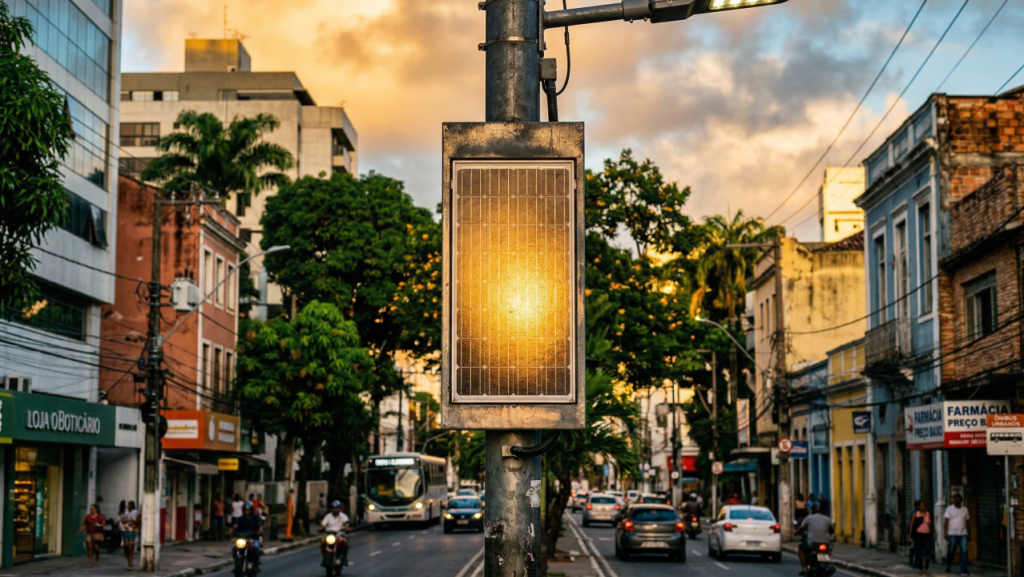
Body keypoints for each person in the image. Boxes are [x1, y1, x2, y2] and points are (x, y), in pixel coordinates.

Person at [797, 504, 835, 575]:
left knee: (800, 548)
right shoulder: (828, 519)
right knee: (828, 550)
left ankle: (804, 567)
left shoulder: (808, 518)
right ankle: (827, 565)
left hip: (812, 543)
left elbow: (801, 528)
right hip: (825, 544)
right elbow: (832, 530)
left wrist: (797, 532)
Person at [229, 502, 263, 569]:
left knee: (255, 547)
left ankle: (256, 565)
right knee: (234, 547)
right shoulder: (241, 518)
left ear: (251, 510)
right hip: (242, 538)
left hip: (253, 538)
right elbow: (235, 525)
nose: (247, 512)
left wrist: (259, 531)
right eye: (245, 510)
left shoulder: (255, 517)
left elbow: (260, 526)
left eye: (248, 510)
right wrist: (232, 530)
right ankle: (236, 563)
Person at [944, 494, 970, 576]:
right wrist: (946, 532)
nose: (957, 501)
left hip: (963, 533)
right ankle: (948, 564)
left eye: (959, 499)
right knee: (951, 550)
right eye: (956, 499)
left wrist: (970, 534)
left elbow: (968, 522)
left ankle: (963, 569)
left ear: (961, 501)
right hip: (952, 533)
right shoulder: (949, 509)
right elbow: (946, 521)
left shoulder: (965, 509)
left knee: (964, 551)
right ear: (954, 500)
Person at [320, 500, 350, 567]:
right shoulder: (328, 516)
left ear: (339, 509)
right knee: (323, 542)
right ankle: (324, 557)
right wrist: (321, 528)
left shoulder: (343, 516)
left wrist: (346, 527)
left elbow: (346, 523)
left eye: (336, 508)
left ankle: (344, 558)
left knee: (345, 542)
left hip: (340, 533)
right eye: (334, 508)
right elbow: (323, 524)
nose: (335, 510)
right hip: (329, 534)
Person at [909, 500, 934, 575]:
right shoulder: (915, 514)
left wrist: (934, 534)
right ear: (919, 507)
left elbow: (932, 524)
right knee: (919, 552)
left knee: (927, 551)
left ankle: (926, 568)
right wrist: (910, 536)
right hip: (918, 535)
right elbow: (911, 525)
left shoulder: (928, 514)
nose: (923, 507)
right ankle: (920, 568)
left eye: (924, 505)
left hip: (927, 535)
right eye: (921, 505)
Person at [121, 500, 140, 569]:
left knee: (130, 548)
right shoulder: (127, 512)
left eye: (129, 505)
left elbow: (136, 521)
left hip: (131, 530)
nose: (127, 506)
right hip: (126, 530)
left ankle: (130, 563)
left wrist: (129, 520)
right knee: (127, 548)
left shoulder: (135, 512)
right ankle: (129, 562)